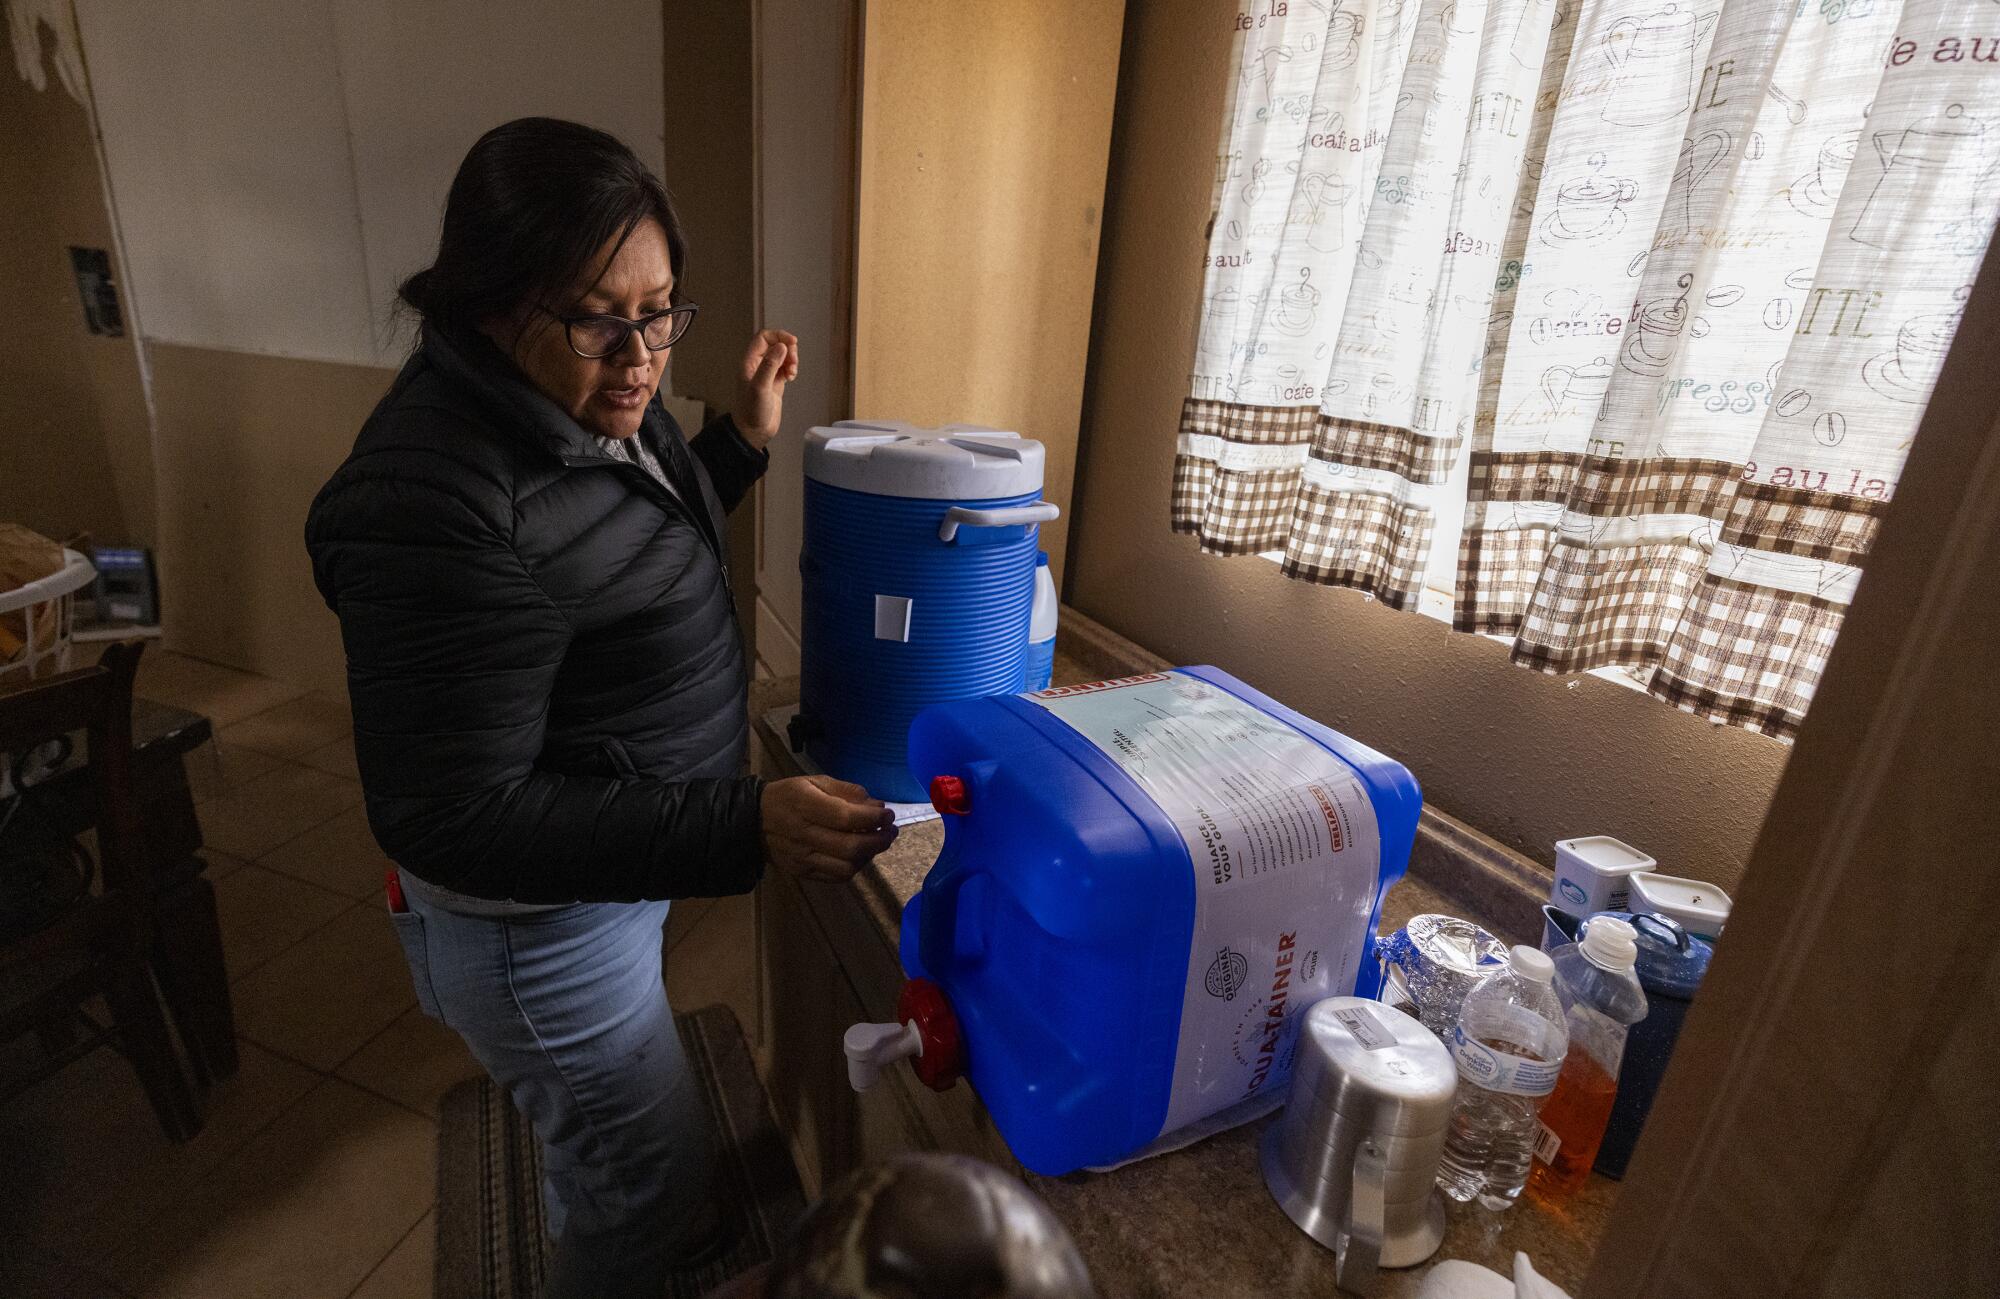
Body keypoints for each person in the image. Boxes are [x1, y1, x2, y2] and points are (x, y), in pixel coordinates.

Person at [305, 117, 898, 1299]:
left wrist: (738, 442)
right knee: (653, 1196)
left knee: (601, 1140)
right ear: (486, 303)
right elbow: (452, 814)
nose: (638, 354)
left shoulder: (577, 403)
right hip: (534, 932)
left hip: (601, 884)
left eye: (661, 308)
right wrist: (743, 822)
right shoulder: (434, 502)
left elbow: (623, 545)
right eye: (597, 316)